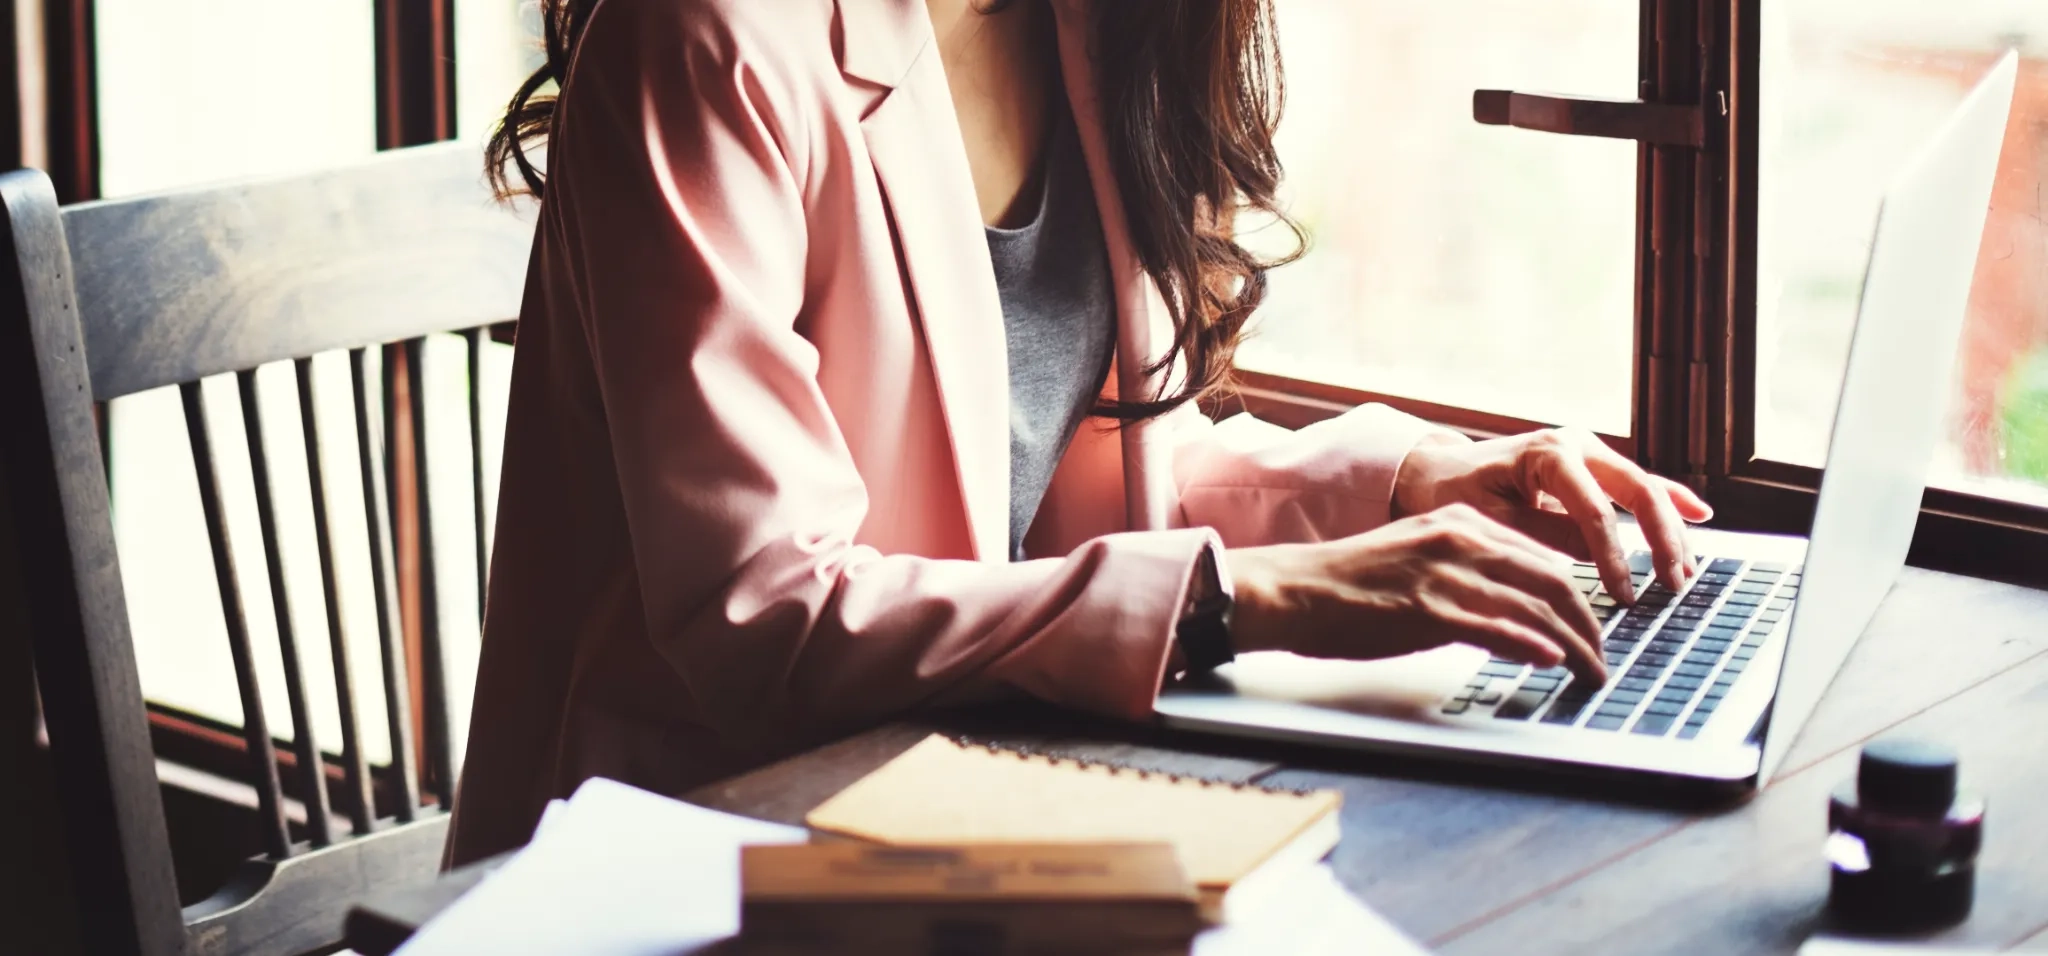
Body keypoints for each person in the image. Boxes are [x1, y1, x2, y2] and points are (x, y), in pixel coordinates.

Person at [445, 0, 1713, 865]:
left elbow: (1062, 471)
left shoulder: (1087, 26)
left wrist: (1402, 481)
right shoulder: (705, 36)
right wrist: (1240, 600)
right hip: (703, 840)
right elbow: (763, 609)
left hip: (966, 796)